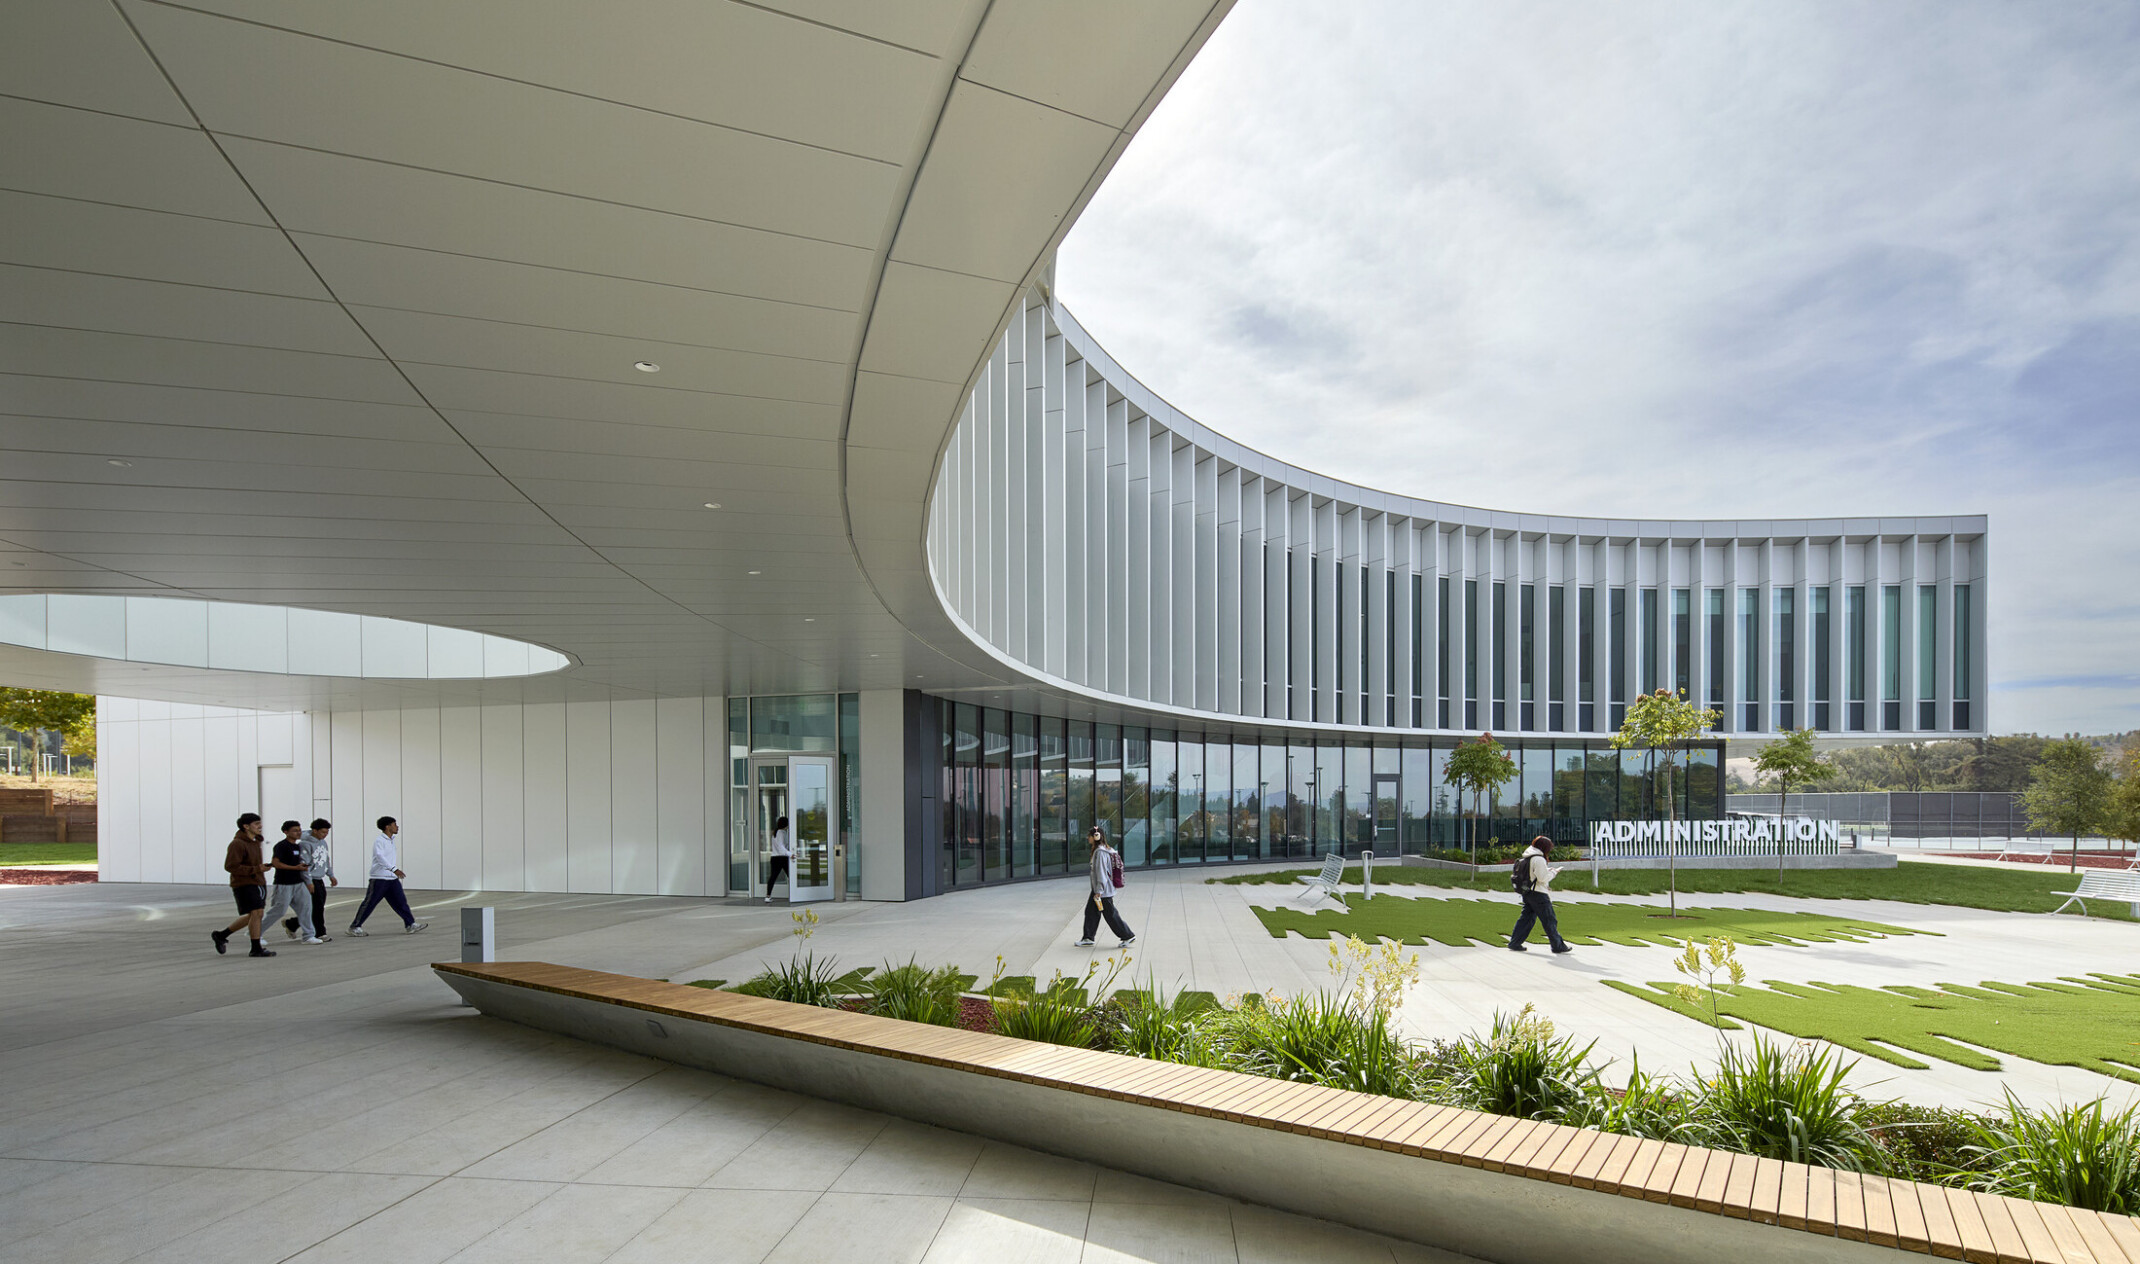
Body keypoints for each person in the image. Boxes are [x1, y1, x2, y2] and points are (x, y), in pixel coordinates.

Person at [347, 816, 427, 936]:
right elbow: (380, 857)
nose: (397, 827)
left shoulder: (391, 840)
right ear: (387, 826)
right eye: (394, 824)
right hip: (379, 879)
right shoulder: (380, 841)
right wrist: (394, 869)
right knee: (369, 903)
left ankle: (410, 924)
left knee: (401, 902)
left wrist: (393, 872)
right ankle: (354, 927)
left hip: (391, 879)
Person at [210, 813, 275, 957]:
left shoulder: (254, 842)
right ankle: (255, 948)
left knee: (255, 914)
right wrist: (257, 869)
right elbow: (231, 866)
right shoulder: (237, 844)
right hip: (244, 883)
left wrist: (260, 868)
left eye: (260, 823)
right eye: (256, 823)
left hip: (258, 882)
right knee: (256, 913)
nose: (260, 826)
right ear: (246, 826)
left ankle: (221, 935)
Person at [1508, 835, 1572, 954]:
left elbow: (1534, 875)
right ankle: (1557, 946)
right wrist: (1554, 872)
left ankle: (1515, 942)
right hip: (1539, 894)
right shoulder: (1538, 859)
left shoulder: (1528, 856)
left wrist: (1547, 871)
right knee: (1549, 920)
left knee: (1526, 919)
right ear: (1544, 847)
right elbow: (1543, 878)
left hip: (1528, 892)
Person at [259, 820, 320, 945]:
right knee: (279, 910)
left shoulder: (297, 846)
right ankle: (256, 934)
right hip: (283, 884)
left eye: (299, 830)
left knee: (306, 908)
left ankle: (308, 935)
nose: (298, 833)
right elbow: (276, 863)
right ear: (286, 832)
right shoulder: (281, 846)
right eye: (294, 830)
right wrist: (295, 868)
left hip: (298, 883)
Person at [1074, 825, 1136, 948]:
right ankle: (1088, 937)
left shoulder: (1101, 852)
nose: (1088, 838)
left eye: (1089, 836)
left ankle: (1127, 935)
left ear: (1095, 837)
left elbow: (1101, 873)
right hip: (1100, 890)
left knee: (1110, 914)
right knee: (1091, 912)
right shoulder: (1105, 850)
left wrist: (1099, 891)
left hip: (1102, 891)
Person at [283, 819, 336, 942]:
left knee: (317, 906)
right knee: (317, 907)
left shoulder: (323, 842)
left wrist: (330, 874)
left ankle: (292, 923)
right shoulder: (305, 844)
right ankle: (320, 933)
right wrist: (308, 882)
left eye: (327, 832)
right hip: (310, 879)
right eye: (323, 832)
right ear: (315, 831)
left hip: (319, 877)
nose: (325, 835)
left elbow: (326, 859)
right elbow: (304, 864)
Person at [763, 814, 790, 903]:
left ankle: (768, 896)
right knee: (791, 875)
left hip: (774, 858)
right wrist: (790, 854)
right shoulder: (781, 833)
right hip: (782, 858)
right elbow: (781, 846)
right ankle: (795, 894)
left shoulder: (776, 832)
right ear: (786, 824)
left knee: (773, 877)